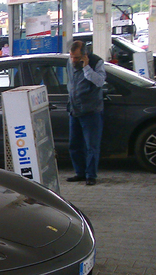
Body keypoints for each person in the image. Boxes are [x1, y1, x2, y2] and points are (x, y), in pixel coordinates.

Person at [66, 40, 106, 186]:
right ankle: (80, 173)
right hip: (74, 109)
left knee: (91, 145)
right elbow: (71, 83)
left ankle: (91, 175)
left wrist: (87, 67)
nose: (73, 60)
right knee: (74, 145)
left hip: (91, 110)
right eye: (71, 56)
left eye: (76, 57)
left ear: (85, 55)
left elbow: (100, 81)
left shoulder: (96, 62)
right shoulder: (69, 62)